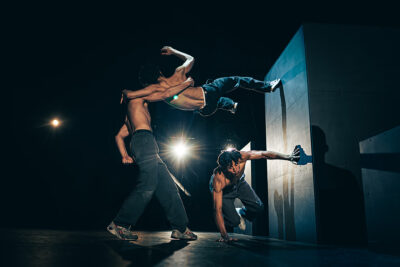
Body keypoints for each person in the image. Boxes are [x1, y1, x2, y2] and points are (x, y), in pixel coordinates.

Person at [107, 77, 197, 241]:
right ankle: (120, 223)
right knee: (148, 184)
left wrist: (125, 155)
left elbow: (119, 136)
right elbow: (166, 93)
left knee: (168, 186)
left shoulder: (132, 112)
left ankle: (180, 228)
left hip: (144, 142)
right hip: (144, 141)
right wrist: (186, 83)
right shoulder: (138, 97)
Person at [122, 46, 281, 116]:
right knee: (236, 80)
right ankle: (268, 87)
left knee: (215, 100)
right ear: (160, 71)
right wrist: (172, 51)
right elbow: (191, 58)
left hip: (205, 110)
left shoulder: (152, 92)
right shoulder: (178, 74)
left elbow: (131, 94)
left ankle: (230, 105)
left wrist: (124, 93)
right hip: (208, 93)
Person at [210, 146, 300, 242]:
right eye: (230, 168)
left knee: (258, 207)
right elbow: (217, 210)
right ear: (224, 168)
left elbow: (263, 154)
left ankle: (241, 212)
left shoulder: (242, 156)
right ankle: (234, 216)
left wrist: (288, 157)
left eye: (236, 165)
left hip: (239, 183)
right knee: (234, 221)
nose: (236, 170)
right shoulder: (219, 179)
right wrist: (224, 236)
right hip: (226, 192)